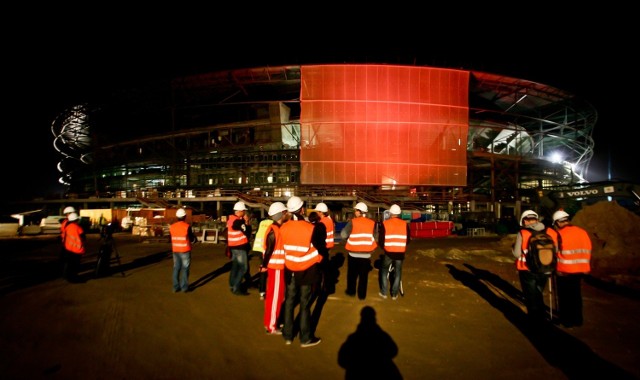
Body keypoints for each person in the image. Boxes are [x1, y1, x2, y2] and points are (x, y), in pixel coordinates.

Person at [280, 196, 324, 347]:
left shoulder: (283, 227)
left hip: (290, 269)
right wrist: (319, 259)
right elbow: (319, 249)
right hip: (306, 270)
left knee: (289, 302)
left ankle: (287, 335)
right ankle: (305, 338)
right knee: (305, 304)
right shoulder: (311, 228)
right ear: (302, 209)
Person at [512, 209, 559, 326]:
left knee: (531, 296)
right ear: (536, 219)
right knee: (538, 292)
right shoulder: (551, 231)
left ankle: (535, 320)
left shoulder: (523, 233)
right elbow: (556, 250)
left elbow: (517, 254)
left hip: (527, 269)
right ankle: (542, 316)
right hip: (545, 268)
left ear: (524, 221)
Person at [552, 210, 592, 328]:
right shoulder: (582, 232)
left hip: (564, 270)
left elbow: (555, 251)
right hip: (580, 269)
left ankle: (567, 321)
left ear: (558, 223)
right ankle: (578, 319)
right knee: (576, 295)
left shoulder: (559, 234)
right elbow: (588, 248)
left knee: (565, 297)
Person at [341, 202, 378, 300]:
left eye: (355, 210)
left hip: (353, 253)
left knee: (352, 274)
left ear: (358, 212)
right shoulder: (371, 223)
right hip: (366, 255)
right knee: (363, 276)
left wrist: (350, 238)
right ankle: (361, 295)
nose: (354, 212)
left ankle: (351, 291)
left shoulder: (352, 222)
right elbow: (374, 237)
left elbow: (343, 235)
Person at [261, 202, 288, 334]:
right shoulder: (274, 230)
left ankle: (270, 322)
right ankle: (272, 326)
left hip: (275, 267)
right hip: (276, 267)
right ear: (280, 214)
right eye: (284, 212)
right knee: (275, 297)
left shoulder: (274, 228)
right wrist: (264, 265)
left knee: (273, 296)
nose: (286, 214)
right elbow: (269, 249)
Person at [378, 204, 410, 300]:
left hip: (388, 252)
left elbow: (381, 240)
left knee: (384, 271)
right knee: (398, 272)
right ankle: (394, 294)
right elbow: (408, 240)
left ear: (390, 213)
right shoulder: (405, 224)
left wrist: (385, 247)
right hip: (400, 253)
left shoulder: (385, 223)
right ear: (399, 213)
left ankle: (384, 292)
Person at [169, 208, 197, 293]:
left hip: (175, 250)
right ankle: (184, 287)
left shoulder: (172, 227)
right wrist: (194, 240)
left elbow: (170, 238)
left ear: (177, 217)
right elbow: (192, 238)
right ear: (185, 216)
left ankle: (175, 287)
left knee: (176, 268)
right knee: (185, 269)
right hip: (185, 250)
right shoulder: (187, 226)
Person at [227, 201, 251, 295]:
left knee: (235, 267)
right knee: (243, 268)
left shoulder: (230, 220)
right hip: (240, 246)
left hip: (233, 246)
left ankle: (232, 284)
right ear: (240, 211)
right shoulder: (238, 221)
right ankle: (236, 287)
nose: (244, 212)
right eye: (243, 211)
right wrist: (247, 222)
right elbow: (247, 232)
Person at [253, 215, 274, 300]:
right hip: (267, 249)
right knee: (269, 270)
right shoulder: (273, 224)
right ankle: (269, 291)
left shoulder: (262, 222)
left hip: (259, 248)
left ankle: (262, 292)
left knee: (263, 270)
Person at [62, 212, 86, 283]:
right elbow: (83, 237)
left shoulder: (67, 227)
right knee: (75, 266)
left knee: (70, 265)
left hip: (68, 249)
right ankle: (74, 279)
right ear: (76, 220)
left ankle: (69, 277)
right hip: (77, 250)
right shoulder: (78, 227)